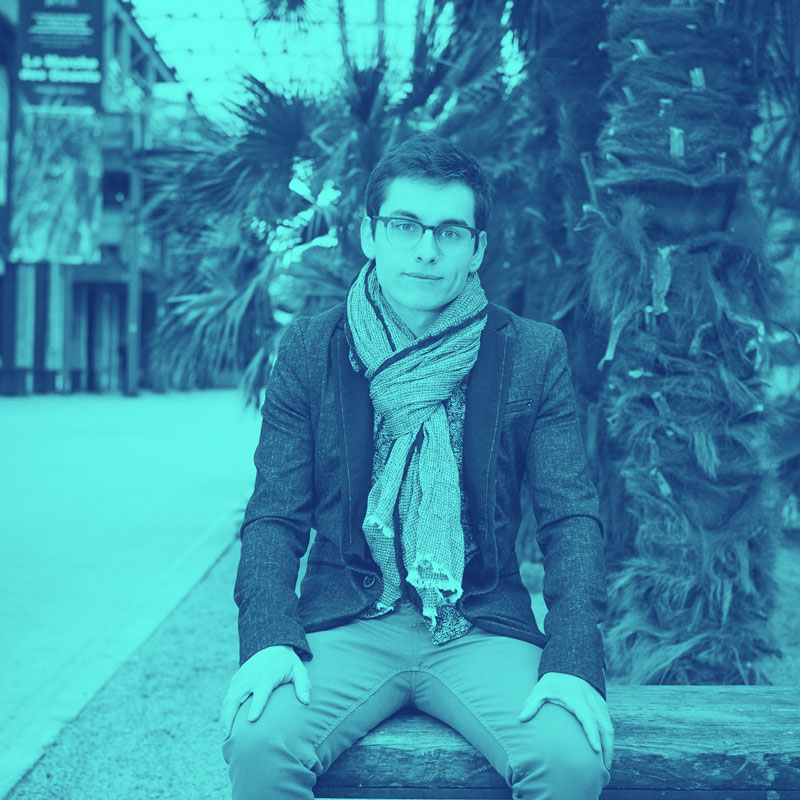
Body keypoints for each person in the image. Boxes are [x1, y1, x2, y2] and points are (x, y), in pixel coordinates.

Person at [220, 133, 614, 800]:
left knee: (570, 758)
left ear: (476, 249)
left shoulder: (530, 353)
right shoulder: (312, 349)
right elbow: (274, 515)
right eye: (405, 225)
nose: (427, 250)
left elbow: (570, 517)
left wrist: (572, 658)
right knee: (260, 740)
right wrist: (267, 639)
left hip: (478, 625)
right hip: (346, 621)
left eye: (450, 232)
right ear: (370, 234)